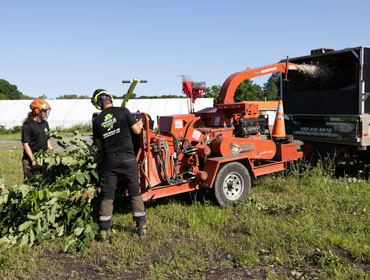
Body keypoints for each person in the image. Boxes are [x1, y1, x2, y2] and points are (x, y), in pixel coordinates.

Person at [91, 89, 146, 242]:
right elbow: (136, 130)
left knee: (108, 195)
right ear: (110, 98)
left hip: (110, 161)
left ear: (98, 104)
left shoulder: (97, 120)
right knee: (135, 192)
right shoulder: (123, 111)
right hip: (128, 158)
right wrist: (140, 122)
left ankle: (104, 233)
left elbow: (99, 144)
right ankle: (141, 228)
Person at [21, 98, 53, 180]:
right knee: (31, 183)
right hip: (31, 160)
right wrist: (33, 159)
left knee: (44, 182)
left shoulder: (45, 124)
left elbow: (47, 141)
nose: (46, 113)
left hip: (43, 158)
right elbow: (26, 144)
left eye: (47, 111)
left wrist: (53, 153)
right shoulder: (28, 125)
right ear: (37, 111)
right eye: (44, 111)